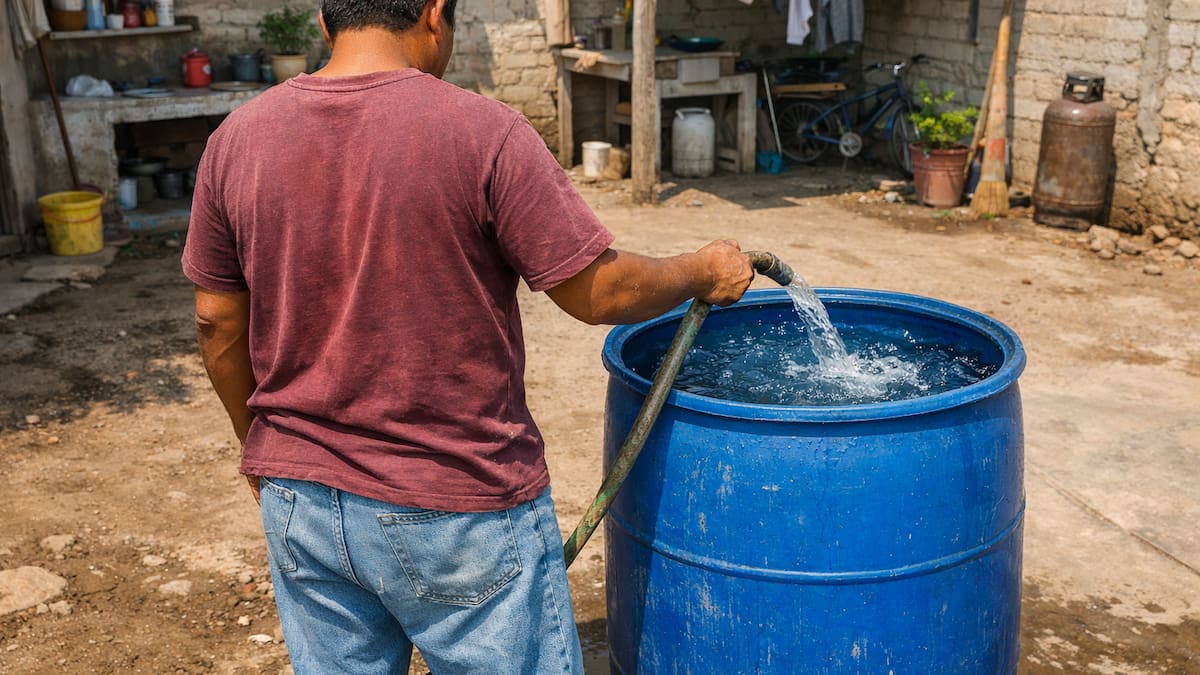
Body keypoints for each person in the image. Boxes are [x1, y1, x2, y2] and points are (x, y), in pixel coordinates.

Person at [181, 0, 753, 672]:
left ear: (325, 22)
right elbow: (599, 291)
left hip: (301, 499)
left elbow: (217, 320)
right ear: (433, 13)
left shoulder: (239, 138)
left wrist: (261, 447)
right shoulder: (483, 131)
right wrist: (699, 271)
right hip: (456, 501)